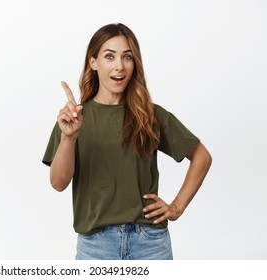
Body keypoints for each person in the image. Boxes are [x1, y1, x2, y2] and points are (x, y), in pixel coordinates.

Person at [42, 23, 212, 260]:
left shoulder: (151, 115)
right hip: (96, 247)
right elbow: (58, 183)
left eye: (127, 57)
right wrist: (69, 138)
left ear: (135, 64)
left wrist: (176, 206)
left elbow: (201, 157)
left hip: (150, 244)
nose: (119, 66)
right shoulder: (75, 119)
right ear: (93, 63)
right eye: (109, 56)